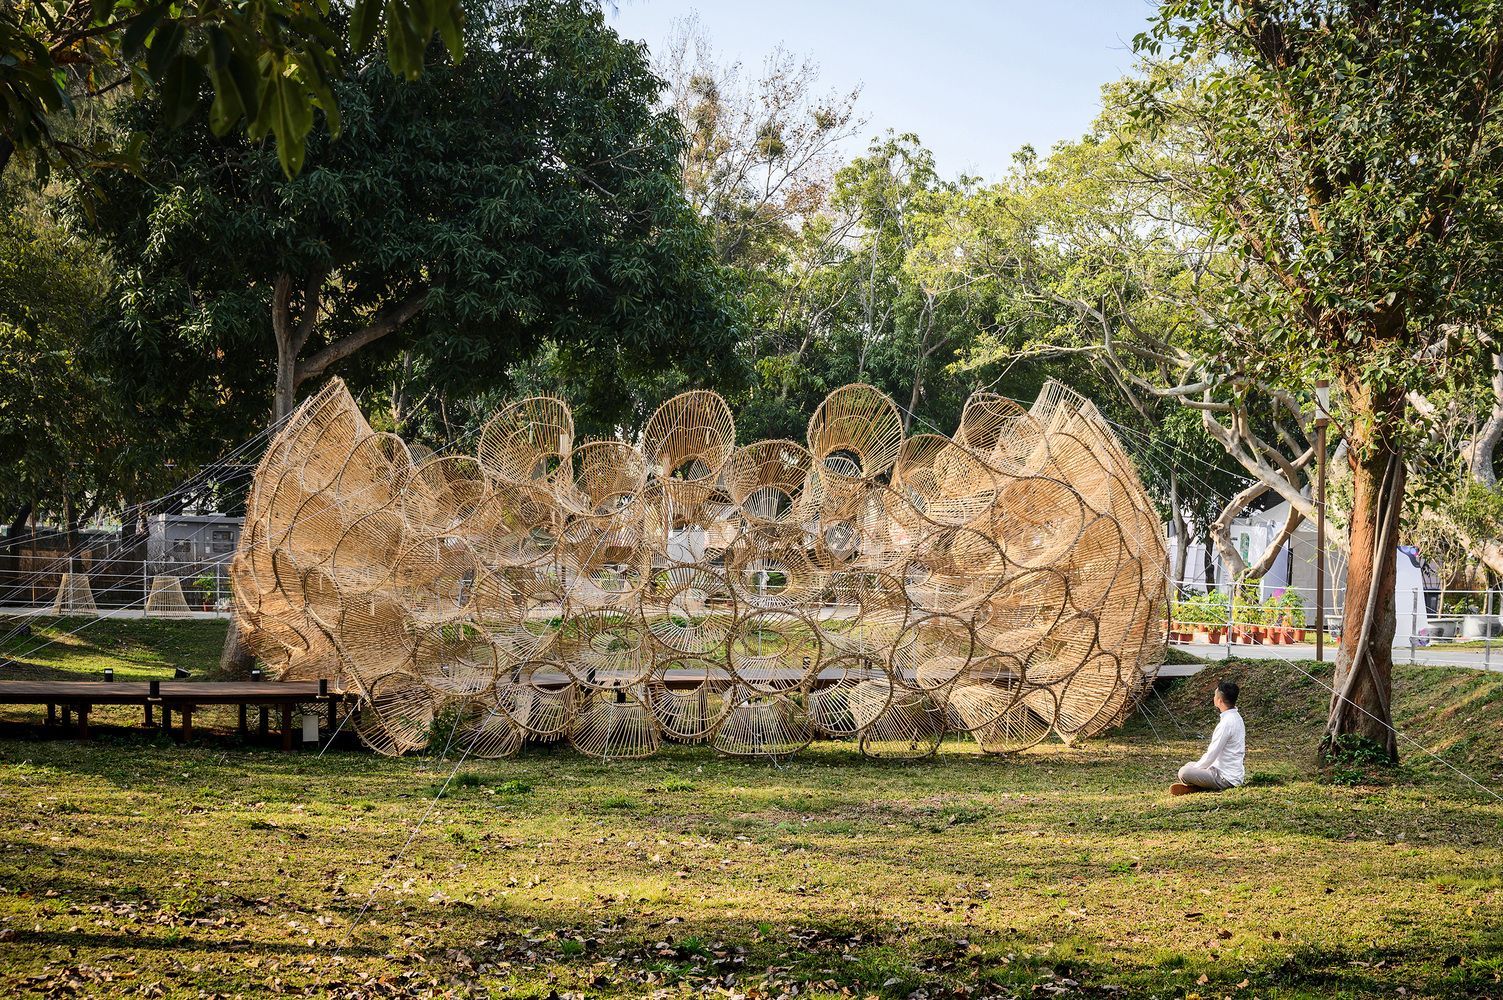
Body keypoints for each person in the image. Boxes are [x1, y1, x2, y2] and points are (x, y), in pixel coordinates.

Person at [1171, 681, 1245, 795]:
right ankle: (1201, 784)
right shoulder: (1236, 717)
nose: (1213, 698)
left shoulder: (1226, 723)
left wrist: (1198, 769)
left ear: (1219, 701)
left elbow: (1212, 754)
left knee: (1184, 772)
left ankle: (1201, 787)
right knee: (1189, 765)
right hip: (1228, 772)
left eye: (1215, 695)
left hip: (1225, 778)